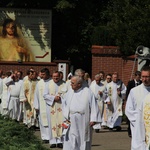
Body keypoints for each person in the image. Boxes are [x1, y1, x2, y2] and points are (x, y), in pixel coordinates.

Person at [62, 75, 101, 150]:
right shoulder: (70, 92)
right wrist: (65, 117)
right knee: (72, 139)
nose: (71, 85)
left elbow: (93, 105)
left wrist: (93, 119)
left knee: (83, 140)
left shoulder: (87, 92)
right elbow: (65, 104)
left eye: (73, 83)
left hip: (83, 119)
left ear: (79, 84)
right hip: (71, 119)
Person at [125, 66, 150, 149]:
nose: (144, 79)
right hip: (138, 127)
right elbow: (128, 110)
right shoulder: (134, 91)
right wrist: (141, 119)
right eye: (143, 76)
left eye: (147, 76)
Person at [43, 71, 66, 148]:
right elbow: (45, 95)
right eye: (54, 77)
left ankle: (60, 141)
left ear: (60, 76)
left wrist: (60, 98)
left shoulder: (64, 84)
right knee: (51, 123)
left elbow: (67, 94)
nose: (55, 78)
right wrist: (53, 98)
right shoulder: (48, 84)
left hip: (61, 106)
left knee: (60, 123)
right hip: (51, 106)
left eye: (57, 76)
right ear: (52, 76)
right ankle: (52, 141)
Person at [34, 68, 51, 143]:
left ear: (47, 74)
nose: (42, 76)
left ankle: (51, 137)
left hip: (50, 105)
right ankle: (44, 137)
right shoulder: (39, 83)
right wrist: (36, 106)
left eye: (43, 74)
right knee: (42, 121)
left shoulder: (51, 82)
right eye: (41, 74)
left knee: (50, 121)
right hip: (42, 105)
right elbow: (36, 95)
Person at [126, 71, 142, 137]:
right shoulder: (130, 83)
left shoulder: (141, 83)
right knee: (132, 117)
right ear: (135, 76)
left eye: (139, 76)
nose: (138, 78)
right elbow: (127, 92)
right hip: (132, 101)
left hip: (139, 101)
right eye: (137, 76)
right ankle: (130, 131)